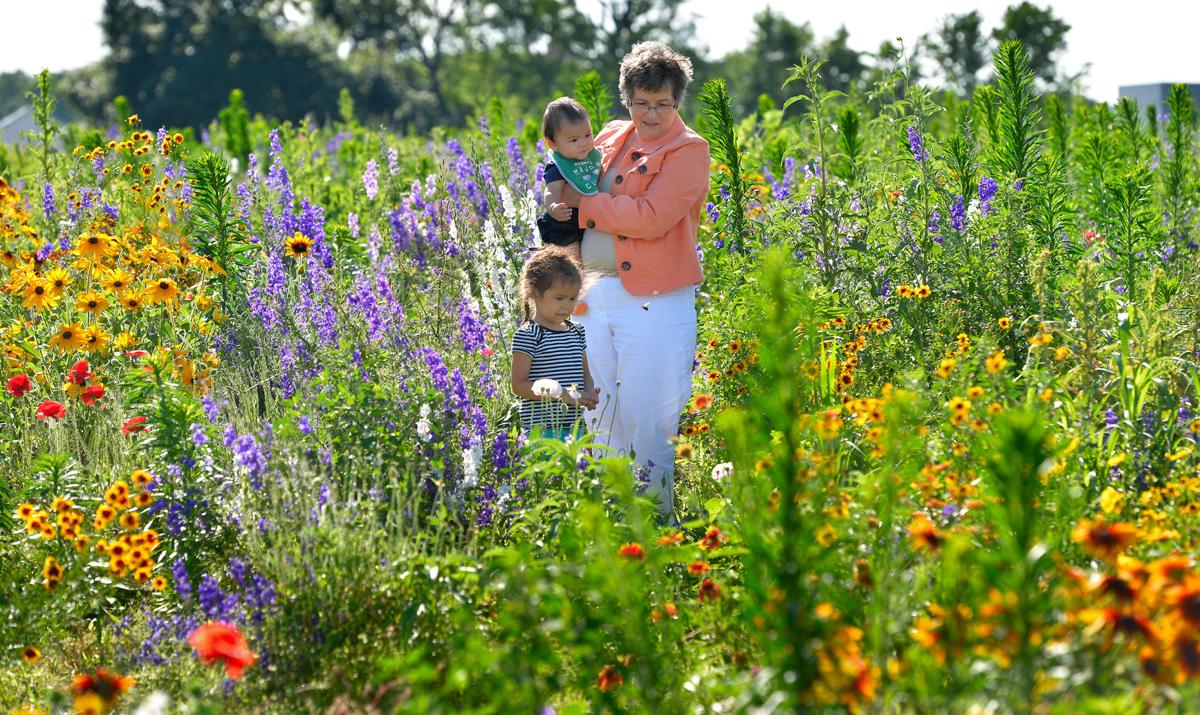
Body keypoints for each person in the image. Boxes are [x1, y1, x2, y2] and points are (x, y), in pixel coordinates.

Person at [556, 41, 710, 517]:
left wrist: (582, 206)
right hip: (590, 294)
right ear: (626, 99)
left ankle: (656, 530)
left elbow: (652, 216)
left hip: (656, 301)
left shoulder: (689, 150)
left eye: (663, 103)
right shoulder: (608, 137)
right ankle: (612, 526)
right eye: (642, 102)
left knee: (650, 420)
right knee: (599, 414)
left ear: (678, 101)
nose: (652, 113)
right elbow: (564, 176)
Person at [510, 245, 600, 439]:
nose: (567, 306)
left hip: (575, 429)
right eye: (559, 298)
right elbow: (518, 385)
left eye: (573, 298)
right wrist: (560, 394)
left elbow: (585, 374)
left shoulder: (576, 331)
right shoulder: (529, 335)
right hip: (543, 431)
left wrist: (589, 391)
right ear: (534, 293)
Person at [536, 97, 602, 253]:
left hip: (587, 223)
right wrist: (553, 207)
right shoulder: (557, 167)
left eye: (588, 135)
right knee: (573, 266)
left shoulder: (593, 157)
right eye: (574, 140)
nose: (584, 143)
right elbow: (551, 191)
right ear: (552, 144)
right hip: (563, 227)